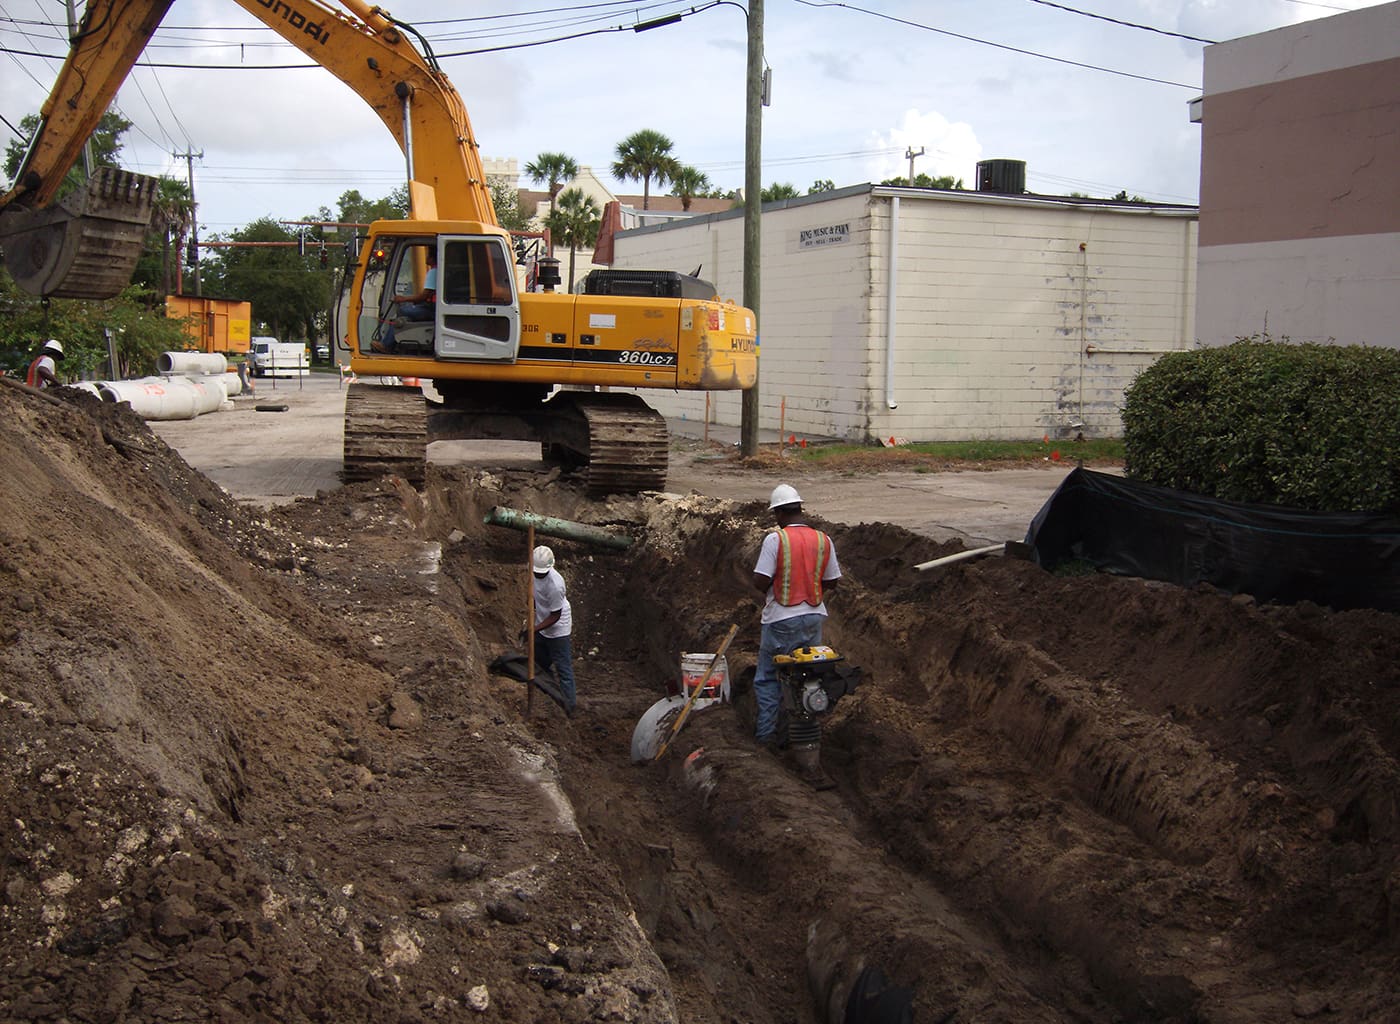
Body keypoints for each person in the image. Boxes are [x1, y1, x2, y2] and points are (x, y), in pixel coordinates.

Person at [751, 483, 841, 748]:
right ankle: (805, 734)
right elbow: (832, 581)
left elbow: (760, 580)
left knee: (768, 678)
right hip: (813, 617)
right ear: (800, 509)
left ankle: (767, 738)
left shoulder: (776, 539)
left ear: (778, 513)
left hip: (780, 618)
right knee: (806, 677)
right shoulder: (823, 539)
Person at [531, 544, 577, 716]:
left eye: (540, 572)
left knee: (563, 670)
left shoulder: (556, 585)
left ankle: (569, 708)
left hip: (558, 630)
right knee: (540, 662)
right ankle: (549, 692)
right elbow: (535, 593)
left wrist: (534, 629)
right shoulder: (533, 570)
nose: (537, 574)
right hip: (542, 623)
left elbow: (555, 616)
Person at [373, 249, 437, 353]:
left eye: (428, 256)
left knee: (403, 311)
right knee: (404, 318)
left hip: (431, 309)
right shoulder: (438, 271)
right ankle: (388, 344)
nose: (426, 258)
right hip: (432, 307)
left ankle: (386, 345)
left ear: (432, 259)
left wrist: (404, 298)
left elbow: (424, 296)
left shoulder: (433, 272)